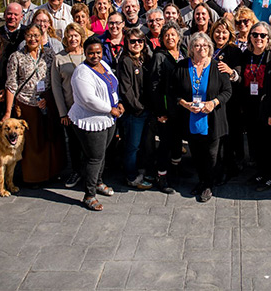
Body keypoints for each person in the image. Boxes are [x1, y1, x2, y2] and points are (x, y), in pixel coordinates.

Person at [171, 32, 233, 202]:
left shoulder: (218, 67)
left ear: (210, 48)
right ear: (191, 48)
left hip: (213, 119)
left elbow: (227, 91)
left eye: (205, 45)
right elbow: (173, 91)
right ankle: (201, 180)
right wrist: (184, 103)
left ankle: (208, 185)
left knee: (211, 154)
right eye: (197, 45)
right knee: (196, 153)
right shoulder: (182, 66)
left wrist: (213, 102)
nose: (201, 48)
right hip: (190, 118)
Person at [4, 23, 64, 185]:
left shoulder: (49, 55)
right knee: (31, 141)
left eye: (36, 35)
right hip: (26, 102)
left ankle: (51, 173)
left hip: (47, 101)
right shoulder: (16, 57)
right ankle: (33, 177)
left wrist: (50, 98)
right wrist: (8, 112)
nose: (33, 39)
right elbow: (11, 84)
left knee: (49, 138)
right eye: (30, 35)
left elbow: (55, 79)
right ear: (25, 37)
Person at [68, 36, 123, 211]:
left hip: (108, 118)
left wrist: (119, 102)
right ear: (85, 53)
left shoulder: (104, 65)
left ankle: (99, 182)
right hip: (91, 120)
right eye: (91, 53)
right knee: (94, 157)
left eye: (98, 52)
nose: (95, 56)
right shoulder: (81, 73)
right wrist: (110, 109)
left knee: (102, 153)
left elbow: (113, 85)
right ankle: (89, 194)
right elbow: (88, 99)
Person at [235, 22, 271, 191]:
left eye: (263, 35)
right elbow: (242, 81)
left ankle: (269, 175)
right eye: (255, 34)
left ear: (269, 38)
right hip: (251, 107)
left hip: (268, 109)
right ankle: (260, 172)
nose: (259, 38)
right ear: (250, 37)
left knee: (268, 144)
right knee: (255, 142)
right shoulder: (247, 55)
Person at [146, 22, 186, 193]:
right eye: (166, 35)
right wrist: (159, 112)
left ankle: (176, 169)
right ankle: (161, 175)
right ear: (162, 38)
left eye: (173, 34)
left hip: (181, 108)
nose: (170, 37)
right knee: (166, 143)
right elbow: (154, 85)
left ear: (178, 37)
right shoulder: (159, 56)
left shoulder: (183, 54)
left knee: (178, 141)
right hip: (166, 108)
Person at [117, 27, 154, 190]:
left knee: (142, 145)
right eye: (133, 41)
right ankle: (131, 177)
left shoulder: (144, 58)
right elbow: (126, 90)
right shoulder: (125, 61)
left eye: (140, 41)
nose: (137, 44)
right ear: (127, 43)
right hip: (135, 112)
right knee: (132, 146)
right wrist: (139, 108)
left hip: (145, 110)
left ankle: (140, 171)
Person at [51, 23, 86, 189]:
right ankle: (76, 171)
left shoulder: (89, 55)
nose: (73, 38)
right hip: (70, 109)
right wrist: (62, 113)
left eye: (76, 35)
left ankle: (90, 173)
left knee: (88, 143)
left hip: (88, 109)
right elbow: (56, 87)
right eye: (70, 35)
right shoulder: (59, 58)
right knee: (73, 142)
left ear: (81, 36)